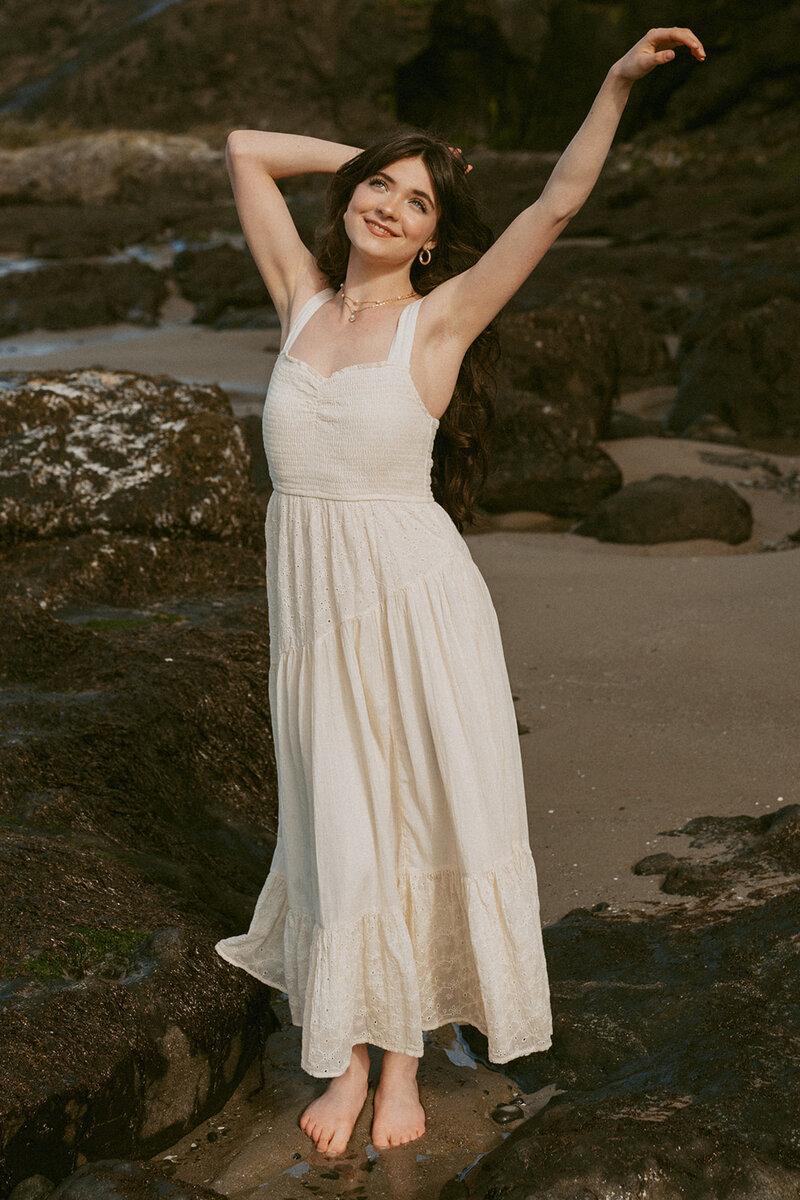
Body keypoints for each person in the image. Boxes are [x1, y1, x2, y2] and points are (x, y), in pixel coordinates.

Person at [215, 26, 707, 1158]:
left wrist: (613, 81)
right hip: (315, 612)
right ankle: (345, 1051)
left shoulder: (439, 321)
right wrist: (388, 166)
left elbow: (555, 208)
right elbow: (244, 149)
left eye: (415, 204)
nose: (386, 208)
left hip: (415, 602)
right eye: (375, 191)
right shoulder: (297, 296)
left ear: (440, 241)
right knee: (337, 821)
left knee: (414, 817)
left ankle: (395, 1068)